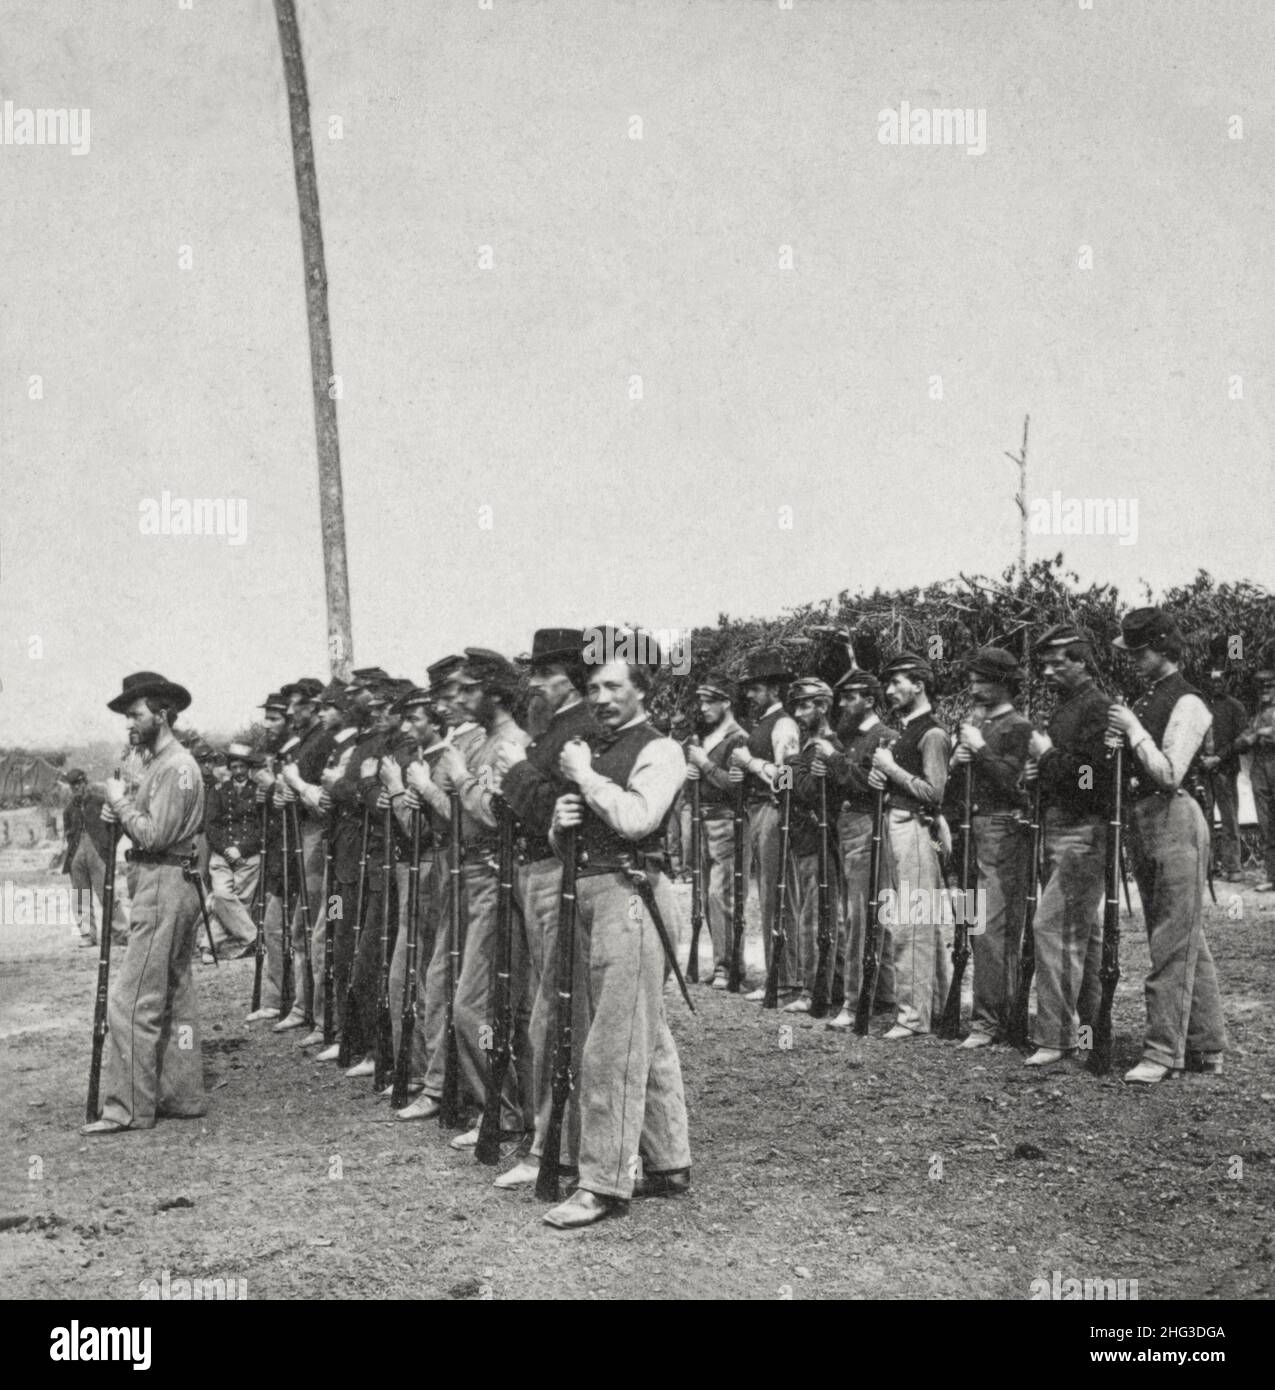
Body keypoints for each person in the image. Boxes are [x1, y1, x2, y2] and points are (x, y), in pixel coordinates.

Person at [544, 641, 691, 1228]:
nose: (600, 699)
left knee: (611, 1044)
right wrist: (561, 826)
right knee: (642, 1031)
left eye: (613, 687)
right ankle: (668, 1161)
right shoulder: (599, 752)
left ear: (641, 691)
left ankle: (603, 1182)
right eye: (594, 689)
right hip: (591, 891)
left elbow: (637, 820)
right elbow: (581, 843)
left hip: (633, 898)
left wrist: (584, 778)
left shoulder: (660, 748)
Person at [1106, 609, 1228, 1084]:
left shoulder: (1189, 702)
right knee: (1183, 934)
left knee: (1170, 940)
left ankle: (1162, 1052)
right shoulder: (1146, 698)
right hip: (1144, 818)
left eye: (1140, 651)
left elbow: (1170, 773)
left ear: (1163, 648)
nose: (1134, 660)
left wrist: (1134, 733)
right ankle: (1206, 1043)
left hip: (1176, 814)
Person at [82, 672, 206, 1135]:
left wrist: (121, 803)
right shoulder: (156, 764)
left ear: (163, 714)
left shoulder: (177, 767)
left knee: (130, 1001)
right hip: (164, 880)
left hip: (163, 882)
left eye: (136, 714)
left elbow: (154, 834)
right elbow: (146, 822)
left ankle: (127, 1107)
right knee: (174, 994)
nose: (130, 723)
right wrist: (120, 809)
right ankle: (180, 1095)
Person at [1023, 625, 1109, 1068]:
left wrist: (1047, 757)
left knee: (1051, 927)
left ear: (1082, 661)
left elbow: (1093, 781)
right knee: (1084, 939)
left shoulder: (1098, 709)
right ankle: (1090, 1031)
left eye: (1059, 663)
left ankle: (1057, 1037)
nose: (1049, 671)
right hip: (1060, 831)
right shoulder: (1066, 709)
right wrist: (1041, 770)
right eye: (1045, 664)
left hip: (1083, 834)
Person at [951, 647, 1031, 1049]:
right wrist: (957, 760)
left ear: (1003, 682)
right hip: (971, 827)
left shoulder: (1017, 727)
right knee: (974, 922)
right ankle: (988, 1014)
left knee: (993, 926)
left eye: (982, 680)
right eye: (972, 679)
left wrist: (978, 750)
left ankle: (992, 1020)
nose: (974, 687)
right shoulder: (976, 723)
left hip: (1001, 829)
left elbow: (1012, 785)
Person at [869, 653, 951, 1039]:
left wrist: (890, 769)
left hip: (916, 827)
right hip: (898, 825)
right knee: (920, 922)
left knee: (912, 923)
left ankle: (913, 1018)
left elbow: (934, 793)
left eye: (897, 682)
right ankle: (935, 1009)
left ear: (919, 684)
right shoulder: (907, 730)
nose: (889, 690)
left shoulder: (931, 733)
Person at [820, 669, 898, 1029]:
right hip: (850, 828)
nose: (844, 703)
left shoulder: (884, 737)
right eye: (843, 696)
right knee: (864, 913)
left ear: (869, 700)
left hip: (868, 828)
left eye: (852, 697)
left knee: (860, 917)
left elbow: (866, 782)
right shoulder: (852, 737)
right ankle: (880, 996)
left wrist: (834, 760)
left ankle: (854, 1003)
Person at [729, 648, 801, 1002]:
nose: (750, 695)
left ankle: (785, 976)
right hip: (757, 810)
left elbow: (787, 778)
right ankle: (780, 973)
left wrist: (751, 763)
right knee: (766, 892)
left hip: (773, 811)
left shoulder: (784, 724)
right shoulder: (763, 723)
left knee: (776, 891)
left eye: (756, 689)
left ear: (773, 689)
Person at [682, 676, 749, 990]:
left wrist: (704, 764)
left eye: (711, 701)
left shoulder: (738, 739)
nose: (704, 708)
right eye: (702, 701)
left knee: (720, 895)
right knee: (707, 894)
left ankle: (728, 966)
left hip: (726, 820)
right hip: (703, 820)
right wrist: (691, 773)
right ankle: (723, 963)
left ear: (727, 703)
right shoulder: (706, 739)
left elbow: (735, 787)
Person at [783, 676, 841, 1014]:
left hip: (820, 839)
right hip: (803, 839)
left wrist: (790, 767)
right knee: (809, 913)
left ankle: (812, 991)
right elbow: (785, 786)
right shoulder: (808, 747)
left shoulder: (828, 745)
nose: (799, 713)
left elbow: (805, 791)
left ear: (822, 706)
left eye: (805, 705)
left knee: (816, 919)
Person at [203, 742, 263, 959]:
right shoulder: (218, 791)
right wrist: (227, 849)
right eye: (234, 767)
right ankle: (253, 937)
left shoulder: (258, 791)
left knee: (237, 903)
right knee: (221, 896)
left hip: (248, 856)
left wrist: (242, 849)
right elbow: (211, 825)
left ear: (249, 768)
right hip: (222, 855)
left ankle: (209, 945)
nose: (238, 772)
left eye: (242, 767)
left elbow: (262, 827)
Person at [60, 768, 128, 948]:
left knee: (107, 894)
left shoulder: (100, 802)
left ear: (85, 783)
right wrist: (73, 856)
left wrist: (108, 846)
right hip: (76, 855)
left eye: (80, 784)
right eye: (73, 786)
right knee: (80, 896)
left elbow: (119, 825)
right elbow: (68, 834)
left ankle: (120, 933)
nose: (77, 788)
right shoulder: (68, 810)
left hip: (98, 853)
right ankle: (87, 935)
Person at [1199, 669, 1247, 882]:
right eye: (1212, 680)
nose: (1216, 684)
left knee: (1229, 819)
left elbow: (1242, 741)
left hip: (1225, 770)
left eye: (1220, 680)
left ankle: (1233, 866)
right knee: (1204, 818)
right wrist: (1201, 759)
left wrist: (1218, 758)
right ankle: (1208, 867)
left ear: (1227, 681)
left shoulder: (1235, 707)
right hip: (1203, 771)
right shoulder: (1200, 706)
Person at [1235, 660, 1275, 891]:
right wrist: (1245, 738)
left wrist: (1259, 733)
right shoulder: (1258, 713)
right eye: (1261, 687)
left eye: (1269, 686)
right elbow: (1244, 738)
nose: (1265, 691)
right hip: (1260, 768)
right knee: (1266, 824)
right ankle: (1272, 875)